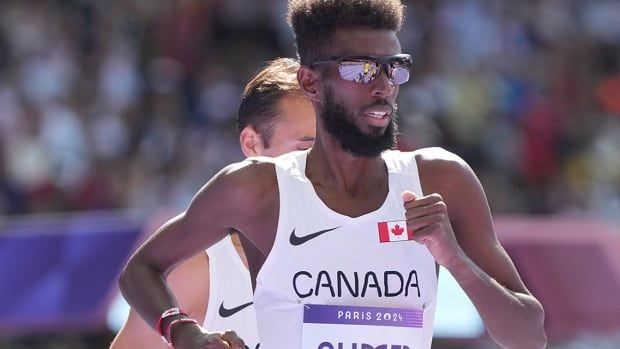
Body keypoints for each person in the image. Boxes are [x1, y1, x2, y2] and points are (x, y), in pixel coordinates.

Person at [119, 1, 547, 348]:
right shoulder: (257, 189)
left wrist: (453, 258)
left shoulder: (442, 180)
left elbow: (529, 336)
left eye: (393, 66)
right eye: (359, 68)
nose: (382, 85)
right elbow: (140, 270)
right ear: (310, 81)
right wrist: (184, 331)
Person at [111, 57, 315, 349]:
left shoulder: (367, 248)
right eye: (306, 148)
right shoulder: (201, 270)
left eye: (336, 149)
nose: (326, 166)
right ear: (252, 145)